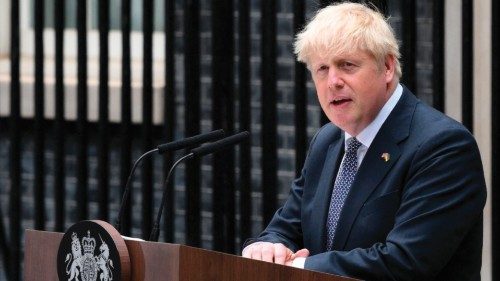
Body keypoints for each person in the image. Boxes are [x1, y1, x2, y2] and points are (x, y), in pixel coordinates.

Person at [242, 2, 487, 280]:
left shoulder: (443, 146)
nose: (333, 81)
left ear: (386, 67)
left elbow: (406, 262)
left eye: (347, 65)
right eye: (322, 68)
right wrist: (268, 247)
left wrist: (297, 268)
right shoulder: (328, 140)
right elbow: (289, 226)